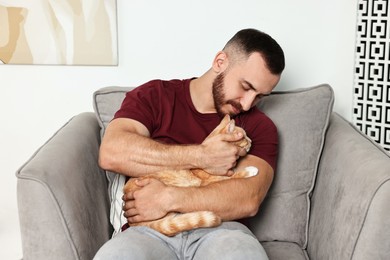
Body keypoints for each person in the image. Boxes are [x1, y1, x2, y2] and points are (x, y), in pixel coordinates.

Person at [94, 28, 285, 259]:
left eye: (260, 96)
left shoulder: (259, 126)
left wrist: (167, 198)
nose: (247, 104)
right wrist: (201, 156)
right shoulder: (155, 96)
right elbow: (112, 152)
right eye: (246, 87)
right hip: (148, 231)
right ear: (220, 62)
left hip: (221, 231)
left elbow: (248, 198)